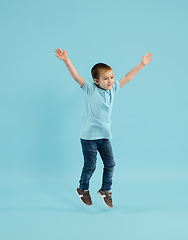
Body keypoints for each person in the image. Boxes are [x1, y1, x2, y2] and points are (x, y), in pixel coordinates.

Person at [54, 48, 152, 208]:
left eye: (111, 77)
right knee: (90, 165)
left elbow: (128, 77)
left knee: (110, 164)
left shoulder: (113, 90)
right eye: (106, 78)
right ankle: (82, 189)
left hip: (104, 137)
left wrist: (141, 64)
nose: (110, 81)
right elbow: (76, 76)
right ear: (96, 81)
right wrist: (66, 60)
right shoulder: (90, 89)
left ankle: (105, 190)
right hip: (88, 138)